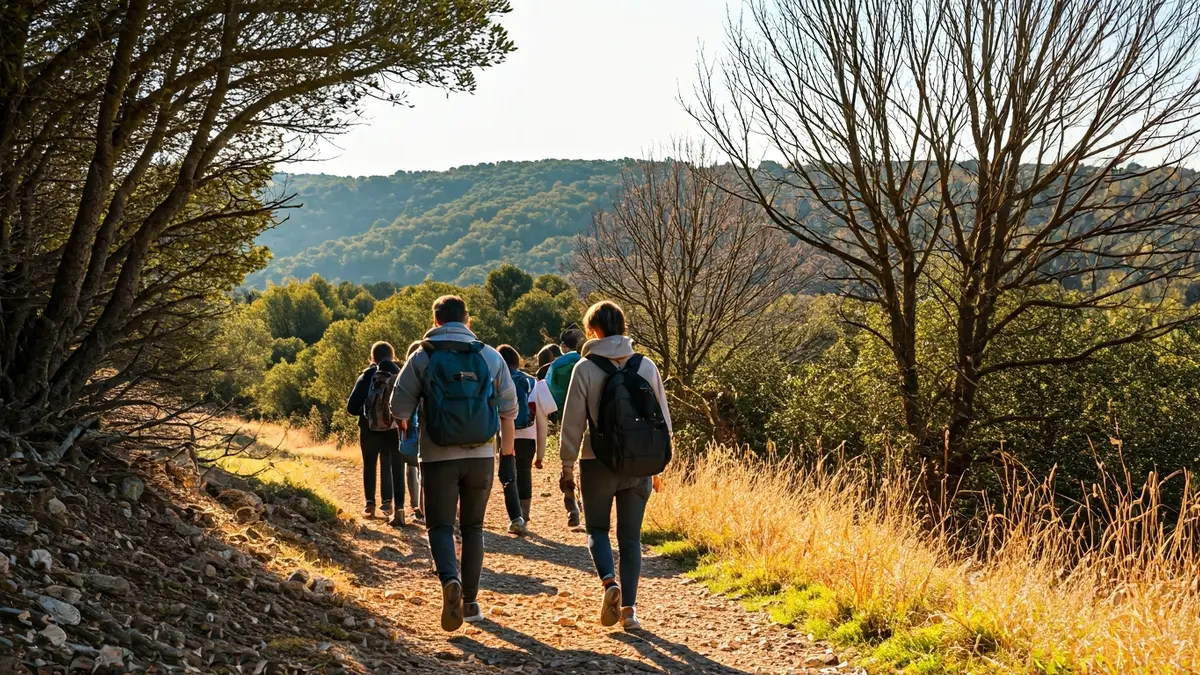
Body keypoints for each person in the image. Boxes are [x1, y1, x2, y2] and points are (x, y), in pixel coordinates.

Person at [389, 295, 517, 632]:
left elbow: (398, 408)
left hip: (437, 455)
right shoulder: (490, 356)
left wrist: (411, 422)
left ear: (436, 322)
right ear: (468, 321)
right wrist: (507, 456)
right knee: (473, 527)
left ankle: (449, 579)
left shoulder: (423, 356)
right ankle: (472, 601)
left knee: (441, 526)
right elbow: (510, 410)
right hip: (481, 456)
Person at [559, 300, 672, 631]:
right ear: (623, 327)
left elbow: (573, 424)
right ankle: (630, 612)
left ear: (593, 330)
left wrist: (567, 466)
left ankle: (610, 584)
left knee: (597, 530)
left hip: (598, 462)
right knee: (631, 539)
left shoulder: (585, 368)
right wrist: (660, 467)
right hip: (641, 465)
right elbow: (663, 419)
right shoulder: (646, 365)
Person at [495, 345, 555, 533]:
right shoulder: (532, 382)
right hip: (528, 436)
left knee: (508, 474)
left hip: (505, 435)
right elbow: (543, 418)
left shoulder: (496, 381)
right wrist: (541, 454)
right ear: (517, 360)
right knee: (524, 472)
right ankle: (525, 513)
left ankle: (515, 517)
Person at [346, 341, 402, 519]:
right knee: (388, 463)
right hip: (392, 427)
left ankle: (369, 504)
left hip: (368, 428)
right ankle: (388, 502)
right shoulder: (398, 373)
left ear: (373, 357)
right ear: (392, 356)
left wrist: (366, 412)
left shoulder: (367, 375)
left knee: (370, 464)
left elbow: (351, 407)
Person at [547, 326, 586, 527]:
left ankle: (571, 503)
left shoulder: (558, 364)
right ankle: (586, 505)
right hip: (589, 418)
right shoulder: (588, 361)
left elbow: (549, 391)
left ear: (563, 345)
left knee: (568, 462)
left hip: (565, 416)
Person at [389, 341, 426, 527]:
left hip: (408, 433)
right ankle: (424, 507)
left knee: (409, 468)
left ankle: (414, 506)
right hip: (427, 432)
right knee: (425, 470)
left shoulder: (404, 377)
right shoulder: (429, 373)